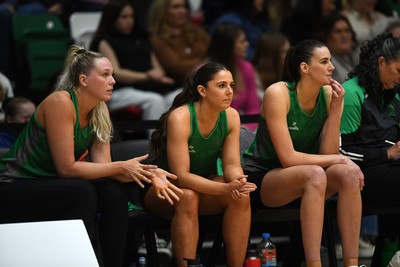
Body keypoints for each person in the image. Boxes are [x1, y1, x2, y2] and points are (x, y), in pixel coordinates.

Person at [0, 44, 183, 267]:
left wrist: (149, 172)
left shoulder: (100, 109)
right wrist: (122, 167)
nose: (113, 81)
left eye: (113, 75)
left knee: (112, 190)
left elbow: (103, 168)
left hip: (52, 184)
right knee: (83, 191)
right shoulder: (61, 102)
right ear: (84, 79)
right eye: (105, 75)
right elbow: (67, 169)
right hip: (14, 184)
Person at [242, 39, 364, 267]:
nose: (332, 67)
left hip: (308, 176)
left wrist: (336, 111)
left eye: (330, 61)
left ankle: (352, 263)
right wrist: (340, 158)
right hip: (263, 176)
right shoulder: (278, 93)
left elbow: (327, 153)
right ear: (304, 67)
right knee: (318, 173)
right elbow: (288, 159)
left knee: (347, 175)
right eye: (325, 61)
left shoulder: (328, 94)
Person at [141, 62, 257, 267]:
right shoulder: (181, 117)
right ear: (202, 90)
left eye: (231, 85)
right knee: (187, 196)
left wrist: (237, 181)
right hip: (161, 188)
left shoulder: (231, 116)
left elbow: (231, 163)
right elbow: (182, 176)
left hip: (201, 185)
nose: (230, 91)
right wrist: (224, 187)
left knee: (240, 196)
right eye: (221, 86)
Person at [339, 32, 400, 263]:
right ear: (381, 62)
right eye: (398, 71)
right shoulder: (352, 93)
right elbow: (340, 151)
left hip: (390, 169)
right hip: (359, 175)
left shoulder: (394, 96)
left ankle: (390, 256)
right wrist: (386, 153)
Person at [90, 1, 180, 125]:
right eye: (124, 17)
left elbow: (157, 68)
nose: (129, 21)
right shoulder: (105, 41)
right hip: (119, 90)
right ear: (112, 18)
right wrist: (147, 76)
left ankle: (177, 139)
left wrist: (159, 76)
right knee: (154, 100)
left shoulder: (142, 38)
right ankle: (155, 142)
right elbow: (116, 73)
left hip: (148, 85)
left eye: (132, 16)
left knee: (179, 95)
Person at [206, 23, 260, 131]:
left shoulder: (246, 68)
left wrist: (242, 129)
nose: (247, 44)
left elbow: (253, 108)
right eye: (242, 41)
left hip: (240, 128)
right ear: (228, 46)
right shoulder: (205, 73)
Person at [147, 0, 210, 87]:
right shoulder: (158, 39)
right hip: (180, 85)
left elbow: (213, 51)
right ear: (162, 11)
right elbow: (176, 67)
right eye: (175, 7)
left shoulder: (197, 31)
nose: (182, 11)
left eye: (183, 6)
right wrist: (205, 62)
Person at [252, 31, 291, 100]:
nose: (289, 55)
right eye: (284, 51)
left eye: (289, 50)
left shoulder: (290, 73)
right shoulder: (253, 76)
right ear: (272, 54)